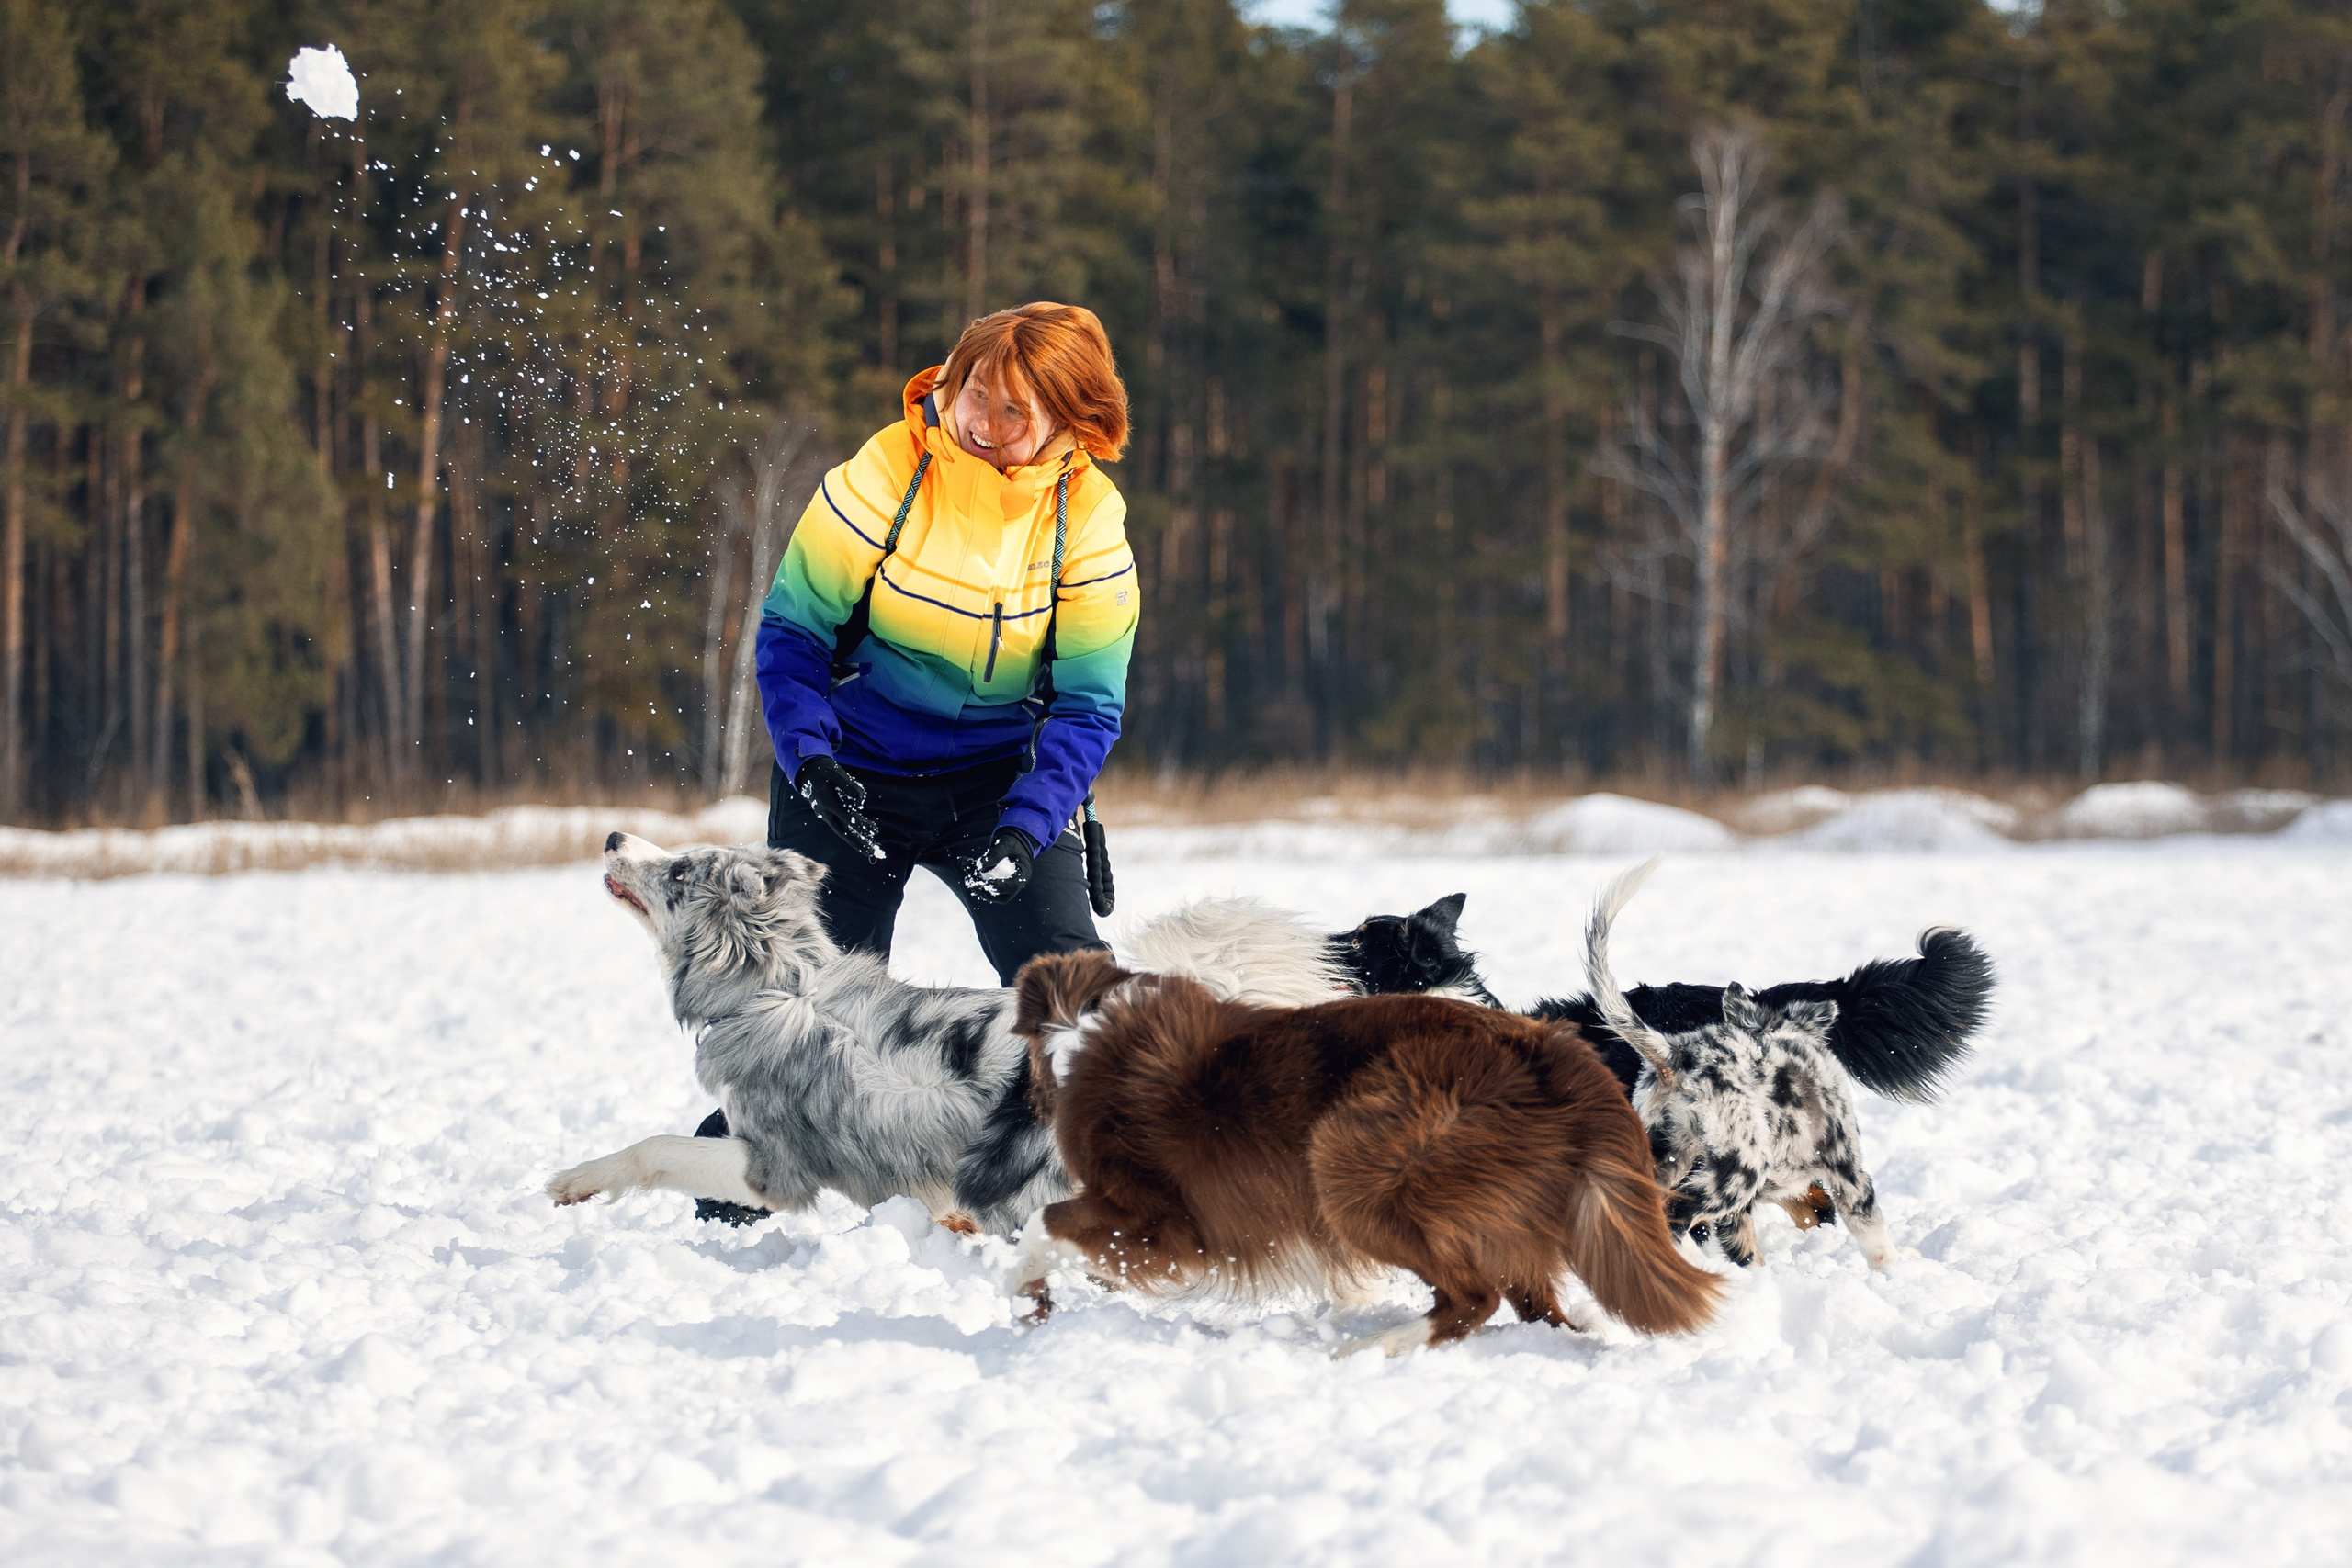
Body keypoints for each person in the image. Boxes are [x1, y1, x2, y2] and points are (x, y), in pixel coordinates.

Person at [692, 302, 1138, 1223]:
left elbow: (1087, 704)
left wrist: (1028, 828)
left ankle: (1125, 1184)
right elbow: (793, 632)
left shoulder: (1089, 519)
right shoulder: (885, 472)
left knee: (1081, 1005)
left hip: (1000, 787)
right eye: (975, 393)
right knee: (808, 1016)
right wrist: (812, 761)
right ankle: (736, 1196)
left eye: (1014, 410)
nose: (983, 422)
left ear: (1070, 418)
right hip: (853, 772)